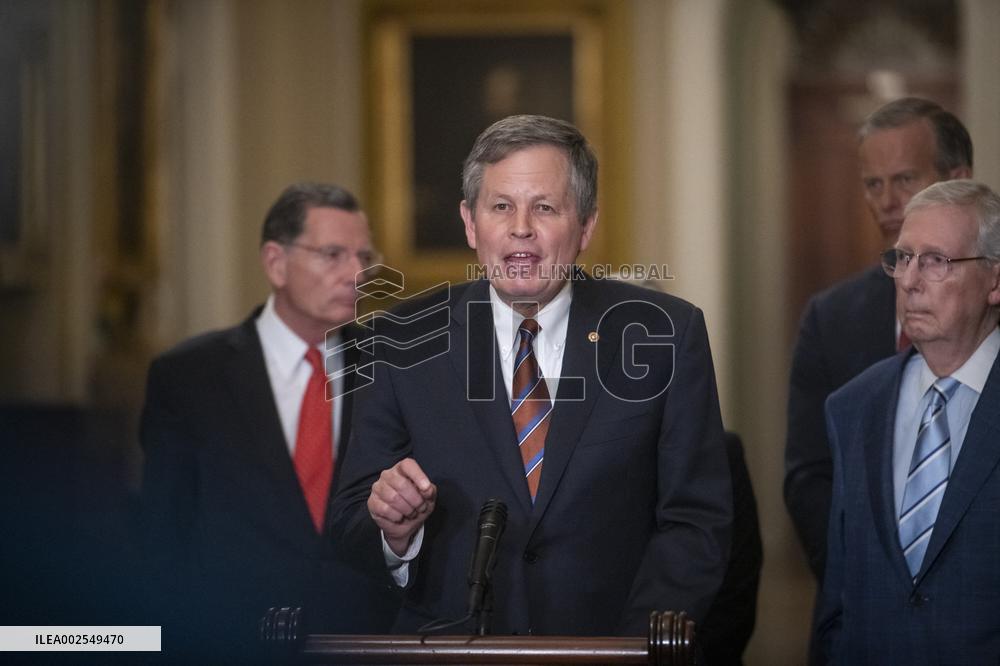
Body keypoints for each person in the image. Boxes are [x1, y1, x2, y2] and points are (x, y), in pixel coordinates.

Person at [329, 115, 732, 638]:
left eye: (545, 207)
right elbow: (349, 522)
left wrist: (632, 649)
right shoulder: (399, 340)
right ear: (470, 222)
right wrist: (393, 533)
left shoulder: (662, 334)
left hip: (613, 649)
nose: (521, 227)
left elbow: (696, 521)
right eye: (501, 206)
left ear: (586, 225)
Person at [139, 183, 398, 658]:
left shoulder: (394, 369)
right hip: (228, 642)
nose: (356, 274)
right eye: (333, 255)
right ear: (276, 262)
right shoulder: (190, 376)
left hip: (363, 641)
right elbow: (164, 536)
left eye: (364, 256)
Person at [784, 97, 973, 580]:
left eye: (905, 179)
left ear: (958, 179)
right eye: (873, 184)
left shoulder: (987, 303)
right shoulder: (830, 318)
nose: (887, 201)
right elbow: (809, 477)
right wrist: (864, 579)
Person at [816, 179, 1000, 663]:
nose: (909, 280)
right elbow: (837, 601)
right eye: (902, 258)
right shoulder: (854, 406)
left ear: (994, 282)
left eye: (936, 261)